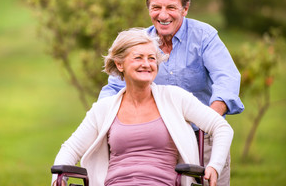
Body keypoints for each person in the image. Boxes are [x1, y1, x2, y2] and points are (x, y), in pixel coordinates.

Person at [98, 0, 244, 186]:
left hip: (203, 136)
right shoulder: (140, 44)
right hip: (159, 143)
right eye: (156, 7)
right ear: (148, 9)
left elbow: (227, 78)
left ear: (185, 9)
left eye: (171, 7)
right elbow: (113, 89)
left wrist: (210, 119)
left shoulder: (204, 36)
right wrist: (102, 120)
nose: (163, 15)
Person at [52, 28, 233, 186]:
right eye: (138, 58)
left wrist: (214, 166)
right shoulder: (104, 108)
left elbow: (221, 127)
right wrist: (58, 179)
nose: (146, 64)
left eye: (151, 58)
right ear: (119, 64)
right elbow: (71, 148)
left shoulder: (175, 97)